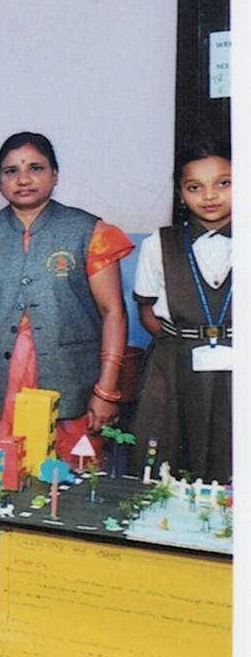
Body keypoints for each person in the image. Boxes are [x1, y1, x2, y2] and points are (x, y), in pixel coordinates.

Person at [0, 133, 133, 624]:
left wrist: (106, 390)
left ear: (55, 175)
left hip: (69, 386)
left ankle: (63, 597)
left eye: (35, 168)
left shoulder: (89, 231)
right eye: (11, 170)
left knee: (68, 486)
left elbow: (113, 312)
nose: (23, 179)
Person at [132, 139, 233, 480]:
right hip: (174, 366)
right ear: (180, 194)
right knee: (165, 462)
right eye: (195, 187)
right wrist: (178, 343)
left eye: (224, 183)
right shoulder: (158, 244)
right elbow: (146, 309)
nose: (209, 196)